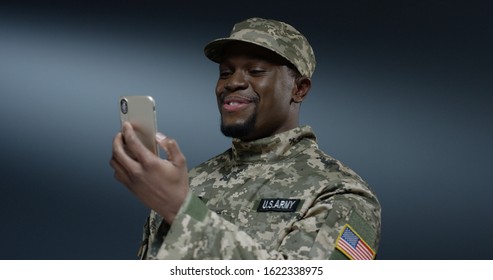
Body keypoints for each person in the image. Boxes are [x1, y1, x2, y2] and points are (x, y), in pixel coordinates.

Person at [110, 17, 381, 260]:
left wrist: (180, 208)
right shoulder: (191, 181)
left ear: (299, 89)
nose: (232, 83)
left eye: (255, 71)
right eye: (226, 72)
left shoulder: (340, 192)